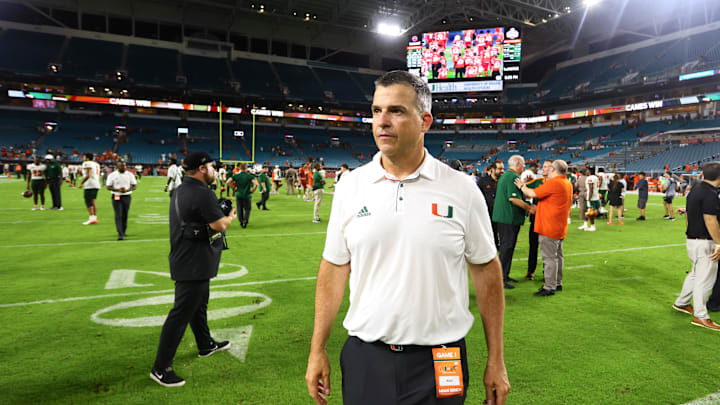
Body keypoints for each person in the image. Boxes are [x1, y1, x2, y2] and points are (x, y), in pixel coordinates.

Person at [305, 70, 509, 405]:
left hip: (443, 358)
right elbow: (334, 268)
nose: (382, 121)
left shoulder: (461, 190)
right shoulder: (350, 187)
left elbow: (487, 272)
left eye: (396, 111)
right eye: (376, 111)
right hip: (367, 357)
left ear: (425, 121)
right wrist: (317, 350)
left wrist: (496, 359)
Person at [151, 152, 237, 387]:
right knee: (181, 313)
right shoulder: (202, 193)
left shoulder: (180, 189)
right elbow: (218, 225)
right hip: (193, 261)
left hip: (186, 256)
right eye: (211, 166)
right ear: (201, 168)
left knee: (199, 304)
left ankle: (205, 344)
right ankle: (161, 367)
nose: (214, 170)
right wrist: (230, 216)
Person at [672, 162, 720, 331]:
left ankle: (682, 303)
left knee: (694, 274)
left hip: (692, 239)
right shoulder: (710, 193)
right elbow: (710, 220)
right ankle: (700, 316)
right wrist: (719, 243)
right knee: (705, 279)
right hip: (704, 241)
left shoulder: (696, 189)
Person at [516, 160, 573, 296]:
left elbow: (532, 193)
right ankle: (557, 282)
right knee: (558, 256)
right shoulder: (567, 182)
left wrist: (522, 186)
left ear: (553, 169)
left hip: (549, 226)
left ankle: (549, 286)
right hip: (559, 225)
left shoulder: (554, 182)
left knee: (549, 258)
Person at [493, 154, 532, 289]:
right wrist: (530, 208)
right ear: (518, 165)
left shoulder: (507, 176)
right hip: (508, 218)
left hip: (506, 218)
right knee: (506, 248)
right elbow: (513, 199)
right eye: (523, 164)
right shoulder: (512, 177)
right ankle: (500, 278)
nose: (524, 167)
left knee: (508, 248)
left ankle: (505, 275)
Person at [524, 160, 551, 280]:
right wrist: (529, 205)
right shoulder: (537, 182)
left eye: (546, 167)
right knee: (533, 246)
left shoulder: (557, 183)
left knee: (547, 249)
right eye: (543, 166)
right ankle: (530, 271)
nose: (543, 169)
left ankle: (547, 273)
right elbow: (522, 190)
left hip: (549, 220)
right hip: (535, 220)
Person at [106, 161, 137, 240]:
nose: (123, 167)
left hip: (127, 196)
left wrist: (127, 190)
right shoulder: (112, 175)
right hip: (116, 195)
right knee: (118, 214)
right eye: (121, 166)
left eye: (124, 166)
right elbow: (108, 186)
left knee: (125, 214)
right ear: (117, 167)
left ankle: (123, 230)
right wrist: (118, 190)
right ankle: (120, 233)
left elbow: (134, 186)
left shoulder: (129, 174)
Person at [477, 161, 504, 248]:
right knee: (490, 231)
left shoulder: (504, 181)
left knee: (503, 231)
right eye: (500, 169)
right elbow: (477, 196)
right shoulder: (483, 181)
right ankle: (493, 245)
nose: (502, 171)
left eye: (503, 169)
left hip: (501, 212)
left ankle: (502, 245)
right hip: (488, 212)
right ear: (493, 169)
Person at [226, 162, 257, 228]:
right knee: (247, 209)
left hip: (239, 194)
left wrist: (233, 188)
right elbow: (256, 184)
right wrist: (253, 190)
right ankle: (245, 220)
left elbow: (228, 182)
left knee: (239, 209)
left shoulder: (237, 176)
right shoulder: (250, 176)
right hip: (247, 195)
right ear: (246, 168)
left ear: (239, 167)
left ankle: (241, 221)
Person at [80, 153, 101, 225]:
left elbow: (88, 175)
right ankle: (94, 218)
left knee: (88, 201)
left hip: (90, 184)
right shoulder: (96, 164)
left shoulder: (87, 163)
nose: (83, 158)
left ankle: (91, 218)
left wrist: (81, 183)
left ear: (87, 158)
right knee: (93, 201)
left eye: (84, 156)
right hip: (96, 183)